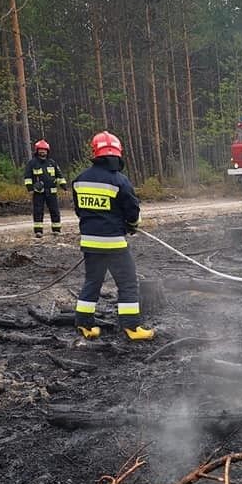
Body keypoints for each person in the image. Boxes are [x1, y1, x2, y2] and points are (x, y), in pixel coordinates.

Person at [72, 131, 155, 342]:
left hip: (89, 243)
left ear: (95, 152)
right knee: (127, 283)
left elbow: (80, 211)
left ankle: (84, 325)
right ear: (118, 154)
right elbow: (132, 210)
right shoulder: (120, 180)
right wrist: (131, 226)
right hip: (114, 244)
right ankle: (131, 327)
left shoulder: (80, 180)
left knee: (92, 281)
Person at [23, 139, 67, 237]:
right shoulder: (32, 163)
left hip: (51, 192)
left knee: (54, 210)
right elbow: (27, 177)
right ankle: (38, 231)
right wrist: (30, 188)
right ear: (37, 151)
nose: (42, 152)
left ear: (47, 151)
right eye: (40, 150)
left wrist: (64, 186)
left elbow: (59, 175)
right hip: (39, 192)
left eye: (44, 150)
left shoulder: (52, 163)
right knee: (38, 211)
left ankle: (56, 229)